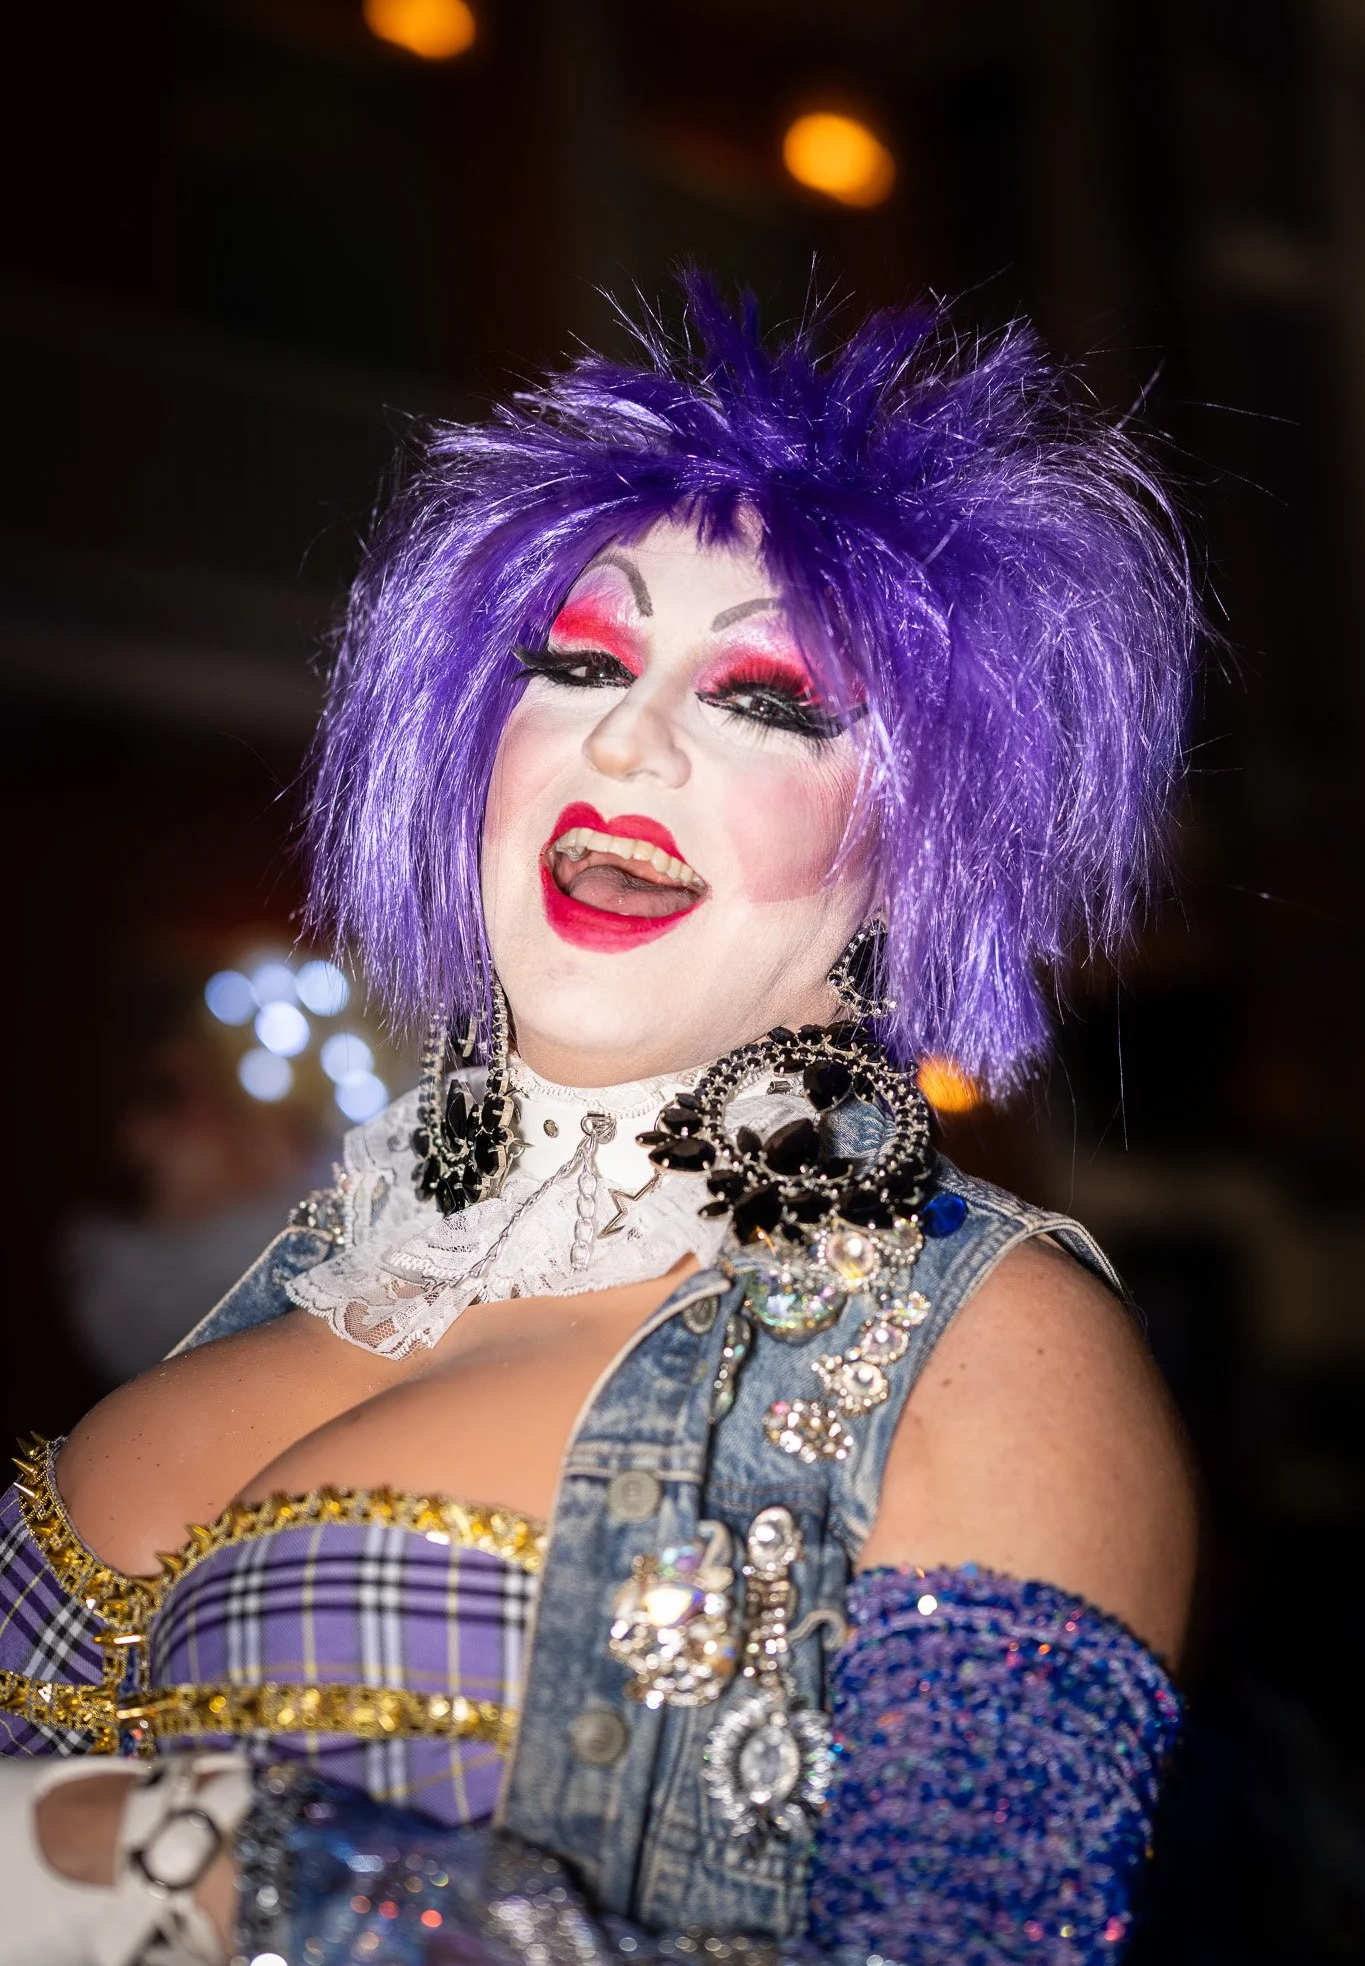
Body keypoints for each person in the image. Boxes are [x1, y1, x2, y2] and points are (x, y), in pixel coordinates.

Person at [0, 281, 1200, 1965]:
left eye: (766, 698)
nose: (628, 744)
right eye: (580, 660)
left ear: (921, 843)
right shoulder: (315, 1276)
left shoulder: (987, 1350)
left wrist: (236, 1879)